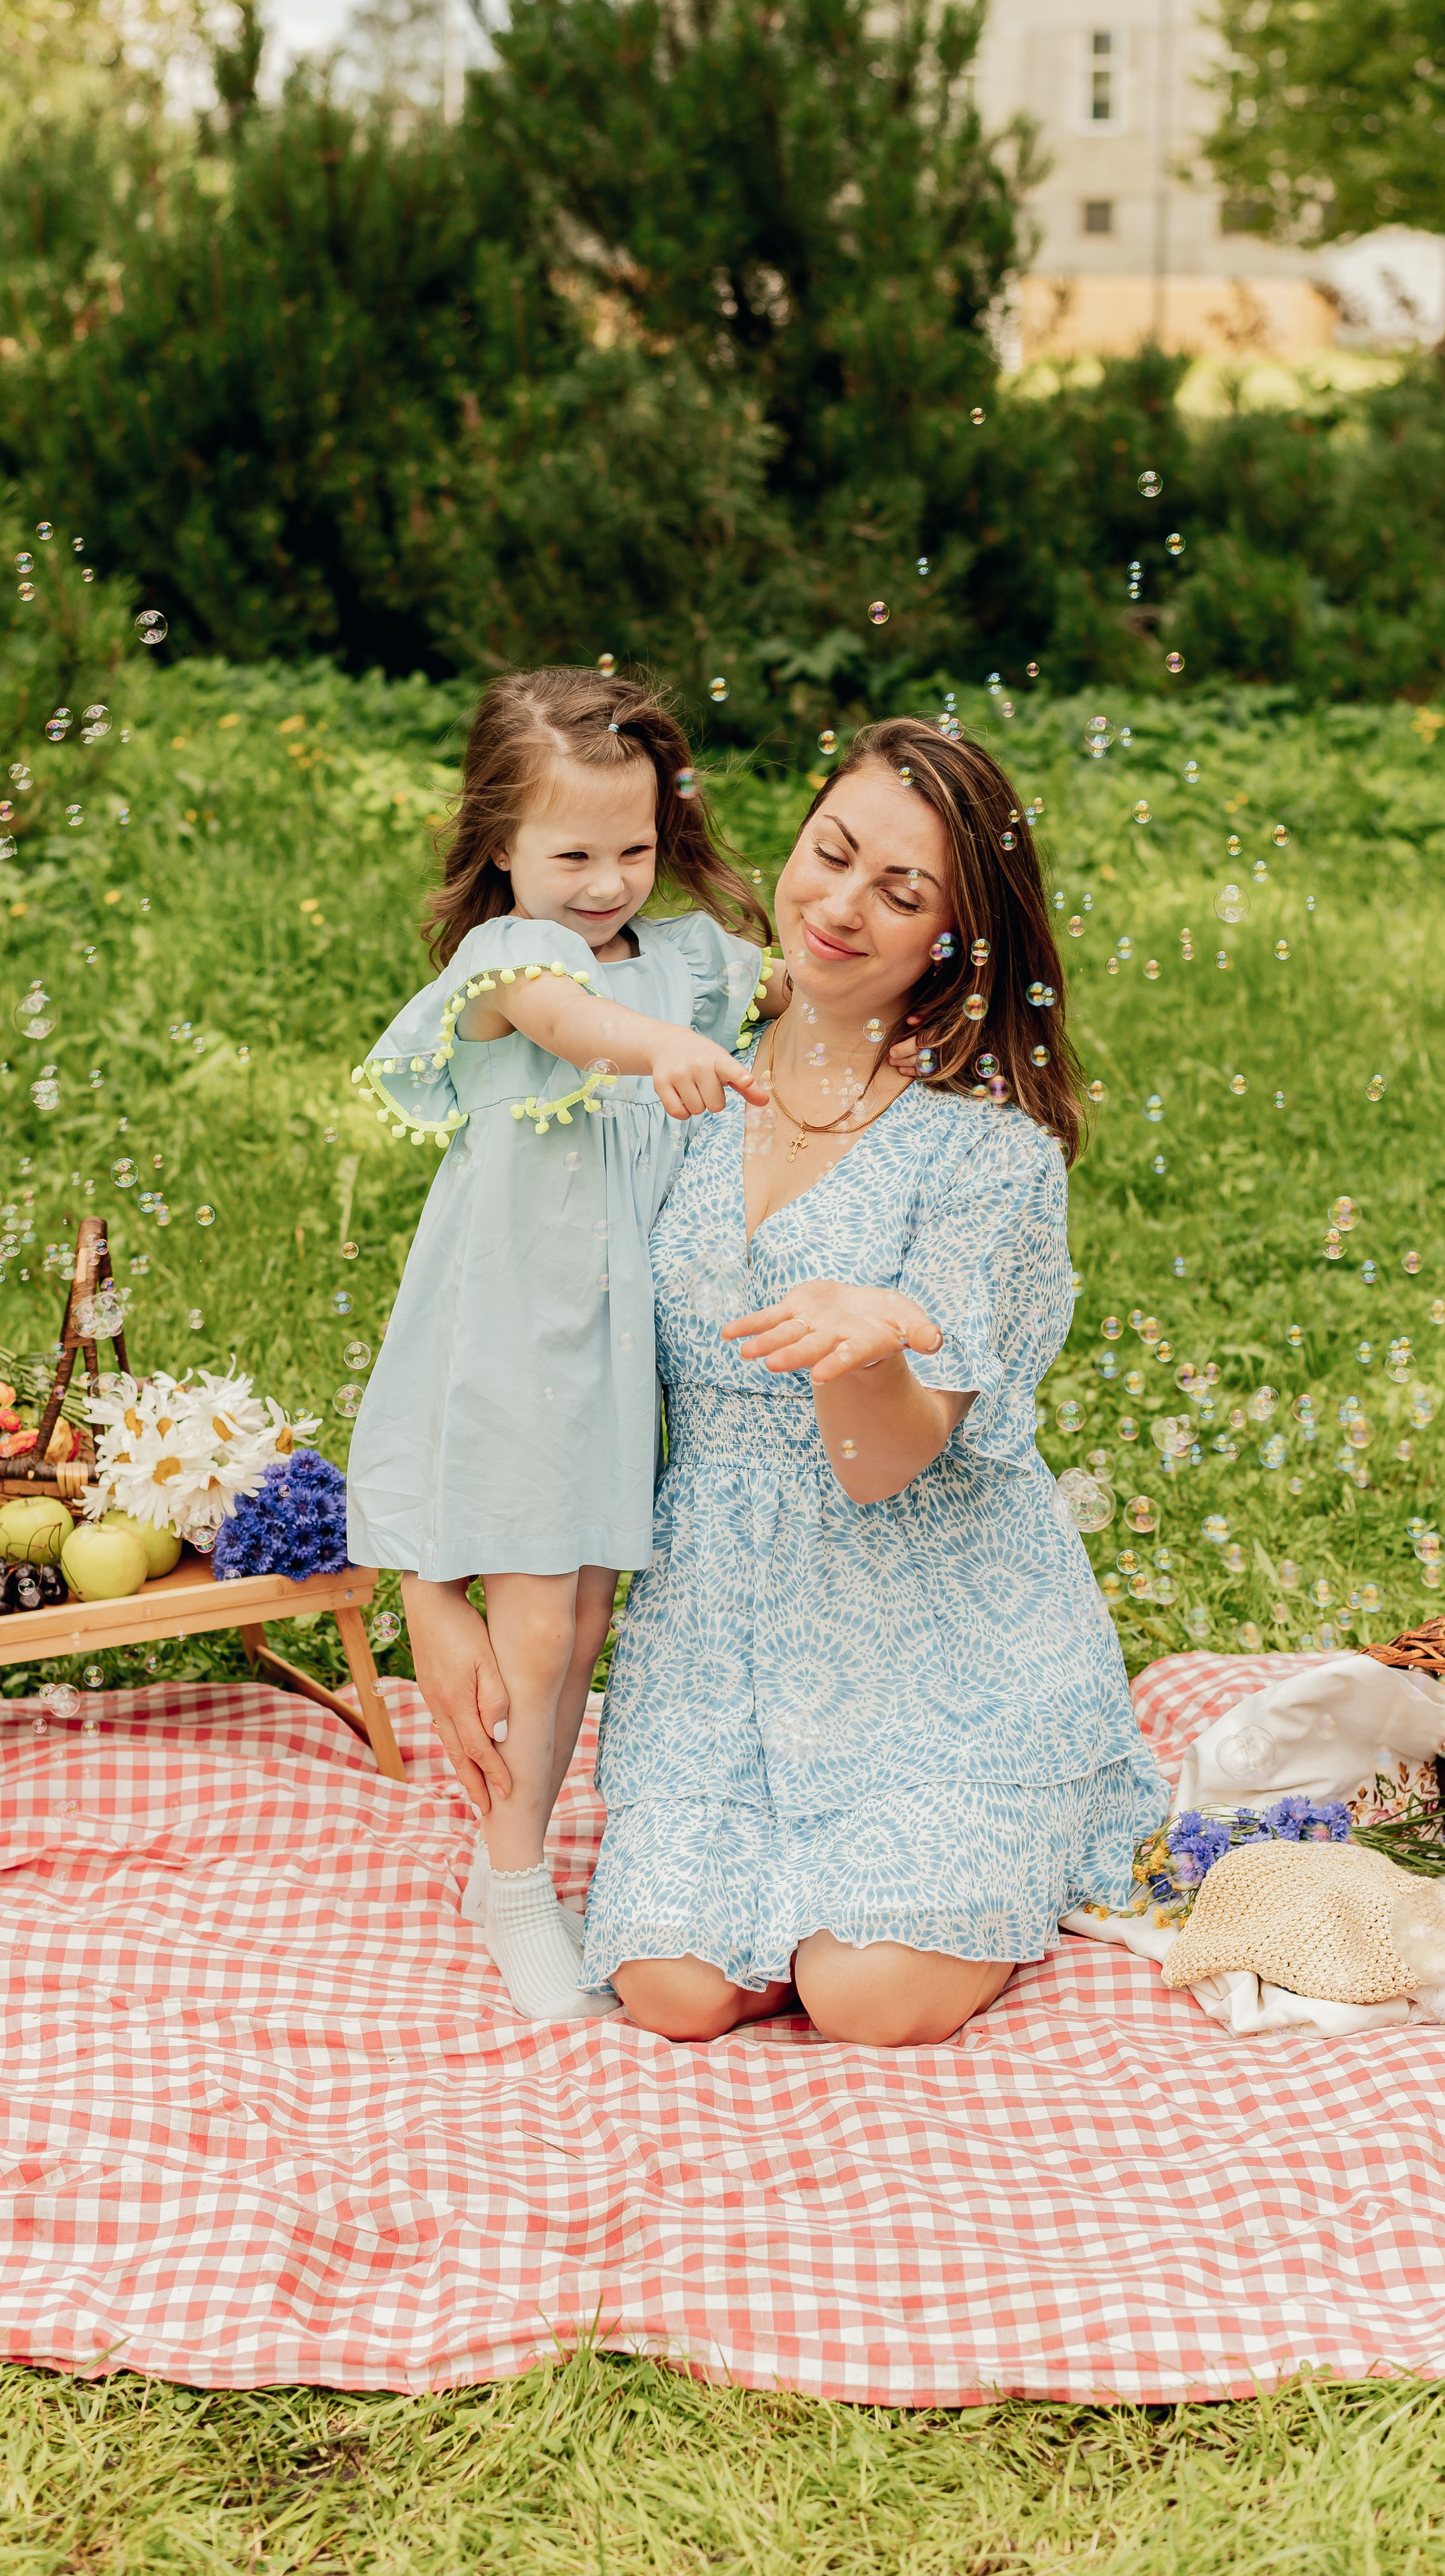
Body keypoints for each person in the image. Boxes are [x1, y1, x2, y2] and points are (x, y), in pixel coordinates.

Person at [404, 716, 1167, 2046]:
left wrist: (867, 1342)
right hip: (719, 1632)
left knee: (864, 1994)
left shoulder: (983, 1153)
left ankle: (1041, 1790)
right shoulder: (672, 1069)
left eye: (901, 891)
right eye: (831, 854)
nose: (840, 906)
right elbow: (498, 1332)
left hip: (932, 1638)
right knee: (675, 1992)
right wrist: (429, 1578)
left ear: (954, 938)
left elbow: (884, 1464)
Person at [346, 667, 781, 2022]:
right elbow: (570, 1024)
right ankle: (513, 1881)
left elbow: (811, 1005)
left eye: (634, 848)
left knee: (584, 1611)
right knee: (536, 1623)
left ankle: (528, 1847)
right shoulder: (505, 964)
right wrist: (658, 1047)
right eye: (570, 852)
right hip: (523, 1332)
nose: (606, 882)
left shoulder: (696, 961)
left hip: (628, 1343)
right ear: (497, 846)